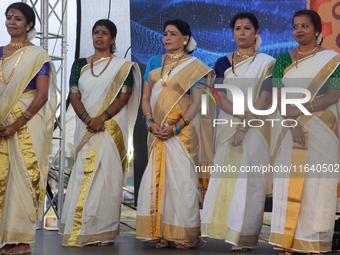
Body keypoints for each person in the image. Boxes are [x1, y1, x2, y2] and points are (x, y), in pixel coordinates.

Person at [59, 19, 141, 246]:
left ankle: (103, 232)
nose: (99, 36)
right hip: (86, 127)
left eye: (104, 33)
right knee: (82, 175)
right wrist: (88, 120)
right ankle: (82, 228)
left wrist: (100, 119)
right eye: (96, 32)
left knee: (108, 178)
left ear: (113, 39)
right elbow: (74, 96)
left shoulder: (123, 66)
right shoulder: (79, 65)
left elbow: (124, 97)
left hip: (110, 127)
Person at [136, 19, 215, 249]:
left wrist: (176, 127)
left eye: (173, 34)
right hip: (157, 131)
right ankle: (161, 232)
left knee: (182, 184)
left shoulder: (196, 66)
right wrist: (149, 122)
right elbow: (145, 97)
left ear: (186, 38)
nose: (167, 38)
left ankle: (185, 234)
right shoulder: (153, 62)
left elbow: (199, 103)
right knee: (158, 182)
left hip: (182, 133)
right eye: (165, 34)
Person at [200, 12, 275, 251]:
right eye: (238, 28)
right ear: (233, 32)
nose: (242, 33)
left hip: (257, 127)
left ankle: (245, 238)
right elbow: (218, 96)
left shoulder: (267, 62)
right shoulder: (223, 62)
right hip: (227, 125)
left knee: (250, 182)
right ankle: (226, 232)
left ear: (256, 33)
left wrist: (245, 126)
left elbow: (264, 100)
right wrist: (240, 115)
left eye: (247, 28)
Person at [269, 10, 340, 255]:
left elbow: (334, 95)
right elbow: (278, 98)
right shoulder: (282, 60)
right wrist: (293, 124)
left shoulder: (333, 59)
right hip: (289, 128)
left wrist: (300, 108)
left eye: (305, 26)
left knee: (318, 185)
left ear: (318, 31)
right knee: (288, 183)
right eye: (295, 26)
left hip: (322, 127)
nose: (299, 30)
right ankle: (286, 241)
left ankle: (313, 242)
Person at [0, 2, 57, 254]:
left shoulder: (38, 56)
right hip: (2, 121)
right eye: (9, 17)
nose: (12, 22)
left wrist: (16, 124)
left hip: (25, 123)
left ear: (29, 24)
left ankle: (22, 242)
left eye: (18, 19)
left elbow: (42, 95)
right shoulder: (0, 51)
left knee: (23, 177)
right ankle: (7, 238)